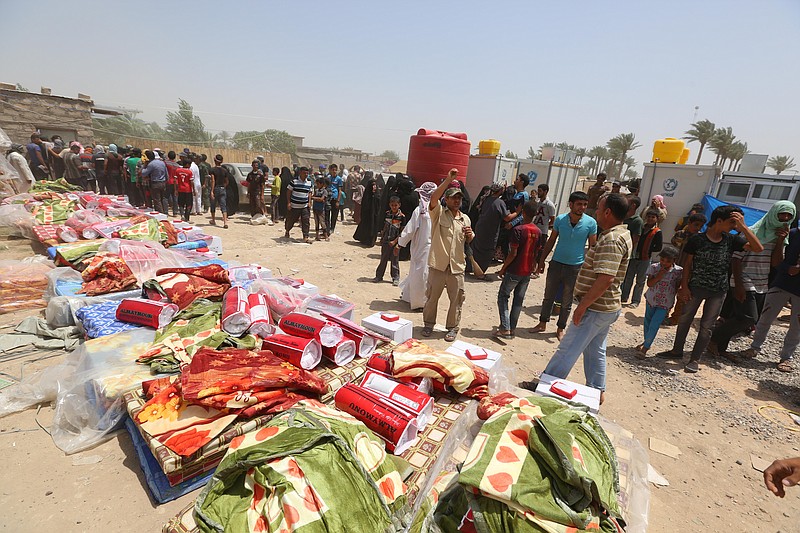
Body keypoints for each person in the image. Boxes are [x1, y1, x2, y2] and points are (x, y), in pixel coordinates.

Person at [542, 193, 633, 404]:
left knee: (568, 349)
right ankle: (596, 390)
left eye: (599, 209)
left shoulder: (612, 239)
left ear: (608, 212)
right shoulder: (620, 234)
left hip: (597, 308)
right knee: (595, 351)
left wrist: (582, 306)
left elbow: (606, 279)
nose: (597, 213)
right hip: (606, 307)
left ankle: (546, 386)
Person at [658, 205, 764, 373]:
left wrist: (743, 227)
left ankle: (694, 359)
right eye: (732, 222)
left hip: (718, 291)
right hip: (695, 288)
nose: (734, 226)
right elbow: (688, 264)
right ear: (719, 221)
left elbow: (758, 248)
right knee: (685, 320)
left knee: (707, 326)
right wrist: (684, 287)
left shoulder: (731, 240)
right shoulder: (697, 240)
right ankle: (676, 351)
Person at [710, 201, 796, 361]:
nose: (784, 218)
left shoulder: (781, 237)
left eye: (788, 216)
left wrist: (780, 241)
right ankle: (713, 338)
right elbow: (736, 260)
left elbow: (776, 263)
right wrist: (739, 285)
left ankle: (721, 348)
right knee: (749, 318)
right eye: (781, 214)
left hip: (762, 282)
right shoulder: (753, 231)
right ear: (773, 213)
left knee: (737, 316)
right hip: (743, 279)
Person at [531, 191, 598, 341]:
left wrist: (591, 269)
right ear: (571, 204)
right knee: (548, 296)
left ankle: (560, 328)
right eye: (579, 204)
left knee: (567, 301)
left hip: (575, 267)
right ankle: (542, 323)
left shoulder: (590, 223)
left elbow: (593, 247)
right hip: (556, 263)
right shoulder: (560, 219)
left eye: (585, 205)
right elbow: (551, 241)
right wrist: (541, 261)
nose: (582, 207)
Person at [421, 171, 473, 342]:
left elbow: (468, 240)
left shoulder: (465, 219)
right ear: (447, 199)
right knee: (432, 298)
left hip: (457, 267)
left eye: (459, 198)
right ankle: (428, 324)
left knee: (456, 301)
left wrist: (471, 235)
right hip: (438, 265)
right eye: (453, 198)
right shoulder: (439, 213)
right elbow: (433, 199)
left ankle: (452, 327)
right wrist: (449, 180)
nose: (457, 201)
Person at [743, 223, 800, 372]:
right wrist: (788, 268)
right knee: (765, 318)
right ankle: (755, 347)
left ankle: (786, 358)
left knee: (797, 326)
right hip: (782, 284)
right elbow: (775, 260)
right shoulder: (793, 234)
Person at [495, 201, 540, 339]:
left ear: (523, 213)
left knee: (503, 296)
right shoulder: (537, 231)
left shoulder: (518, 230)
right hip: (526, 272)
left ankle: (505, 327)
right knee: (518, 300)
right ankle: (511, 328)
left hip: (515, 269)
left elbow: (513, 253)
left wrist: (503, 269)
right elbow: (536, 253)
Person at [636, 245, 682, 358]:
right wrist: (659, 276)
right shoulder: (654, 267)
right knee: (648, 322)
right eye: (662, 260)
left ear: (674, 261)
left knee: (655, 324)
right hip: (652, 299)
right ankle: (647, 341)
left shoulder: (678, 271)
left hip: (665, 302)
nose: (664, 263)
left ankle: (645, 348)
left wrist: (673, 302)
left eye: (668, 261)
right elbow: (649, 284)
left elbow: (676, 286)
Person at [398, 182, 436, 310]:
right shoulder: (420, 210)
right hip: (422, 246)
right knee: (421, 274)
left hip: (431, 247)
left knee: (421, 273)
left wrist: (401, 243)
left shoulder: (437, 210)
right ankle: (419, 303)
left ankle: (410, 296)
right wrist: (400, 243)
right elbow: (410, 229)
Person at [471, 183, 519, 276]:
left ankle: (473, 268)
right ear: (500, 191)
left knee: (477, 250)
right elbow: (507, 217)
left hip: (480, 228)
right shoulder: (499, 202)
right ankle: (480, 273)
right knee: (488, 252)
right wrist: (517, 212)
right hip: (490, 231)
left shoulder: (487, 199)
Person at [668, 212, 707, 325]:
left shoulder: (700, 239)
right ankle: (663, 314)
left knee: (682, 296)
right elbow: (673, 246)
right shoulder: (680, 234)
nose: (698, 228)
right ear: (689, 223)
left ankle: (675, 318)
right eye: (696, 225)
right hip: (675, 269)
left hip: (688, 272)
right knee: (669, 292)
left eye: (700, 226)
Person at [621, 209, 663, 308]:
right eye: (648, 217)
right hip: (634, 257)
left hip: (645, 259)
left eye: (653, 217)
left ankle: (635, 301)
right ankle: (624, 297)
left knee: (640, 281)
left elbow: (658, 247)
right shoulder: (642, 228)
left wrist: (648, 248)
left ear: (657, 219)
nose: (650, 219)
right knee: (628, 278)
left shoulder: (657, 232)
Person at [374, 196, 405, 285]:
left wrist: (395, 242)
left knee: (394, 260)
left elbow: (402, 232)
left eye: (396, 205)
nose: (394, 207)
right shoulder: (387, 214)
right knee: (383, 259)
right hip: (386, 241)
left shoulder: (402, 217)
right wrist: (382, 237)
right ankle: (379, 276)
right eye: (392, 205)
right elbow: (385, 227)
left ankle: (395, 277)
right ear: (389, 205)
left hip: (395, 242)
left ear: (399, 205)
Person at [531, 183, 556, 272]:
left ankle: (538, 270)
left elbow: (553, 219)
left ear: (545, 192)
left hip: (543, 231)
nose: (538, 192)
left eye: (540, 191)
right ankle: (533, 267)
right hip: (536, 229)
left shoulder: (549, 204)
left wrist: (546, 226)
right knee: (534, 250)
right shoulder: (538, 203)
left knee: (540, 251)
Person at [285, 166, 313, 243]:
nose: (306, 174)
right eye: (304, 173)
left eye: (307, 173)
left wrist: (309, 202)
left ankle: (305, 236)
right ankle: (287, 230)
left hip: (304, 206)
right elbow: (288, 192)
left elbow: (310, 192)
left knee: (306, 221)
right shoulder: (294, 181)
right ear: (300, 173)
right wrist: (288, 202)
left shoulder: (309, 182)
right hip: (294, 206)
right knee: (291, 220)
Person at [353, 172, 381, 246]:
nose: (374, 187)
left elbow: (378, 204)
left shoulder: (377, 194)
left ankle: (371, 241)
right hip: (367, 215)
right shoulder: (367, 194)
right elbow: (365, 205)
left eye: (375, 185)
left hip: (374, 215)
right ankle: (364, 240)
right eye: (372, 185)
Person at [142, 150, 168, 214]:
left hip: (155, 183)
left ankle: (160, 214)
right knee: (162, 199)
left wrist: (144, 165)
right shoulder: (162, 163)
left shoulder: (151, 164)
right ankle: (165, 212)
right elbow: (166, 174)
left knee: (157, 200)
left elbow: (143, 173)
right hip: (163, 182)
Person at [209, 154, 231, 228]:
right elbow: (227, 181)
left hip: (215, 188)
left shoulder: (212, 170)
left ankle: (213, 220)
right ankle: (225, 222)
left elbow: (213, 180)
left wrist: (212, 191)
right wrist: (223, 187)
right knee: (223, 205)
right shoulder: (224, 170)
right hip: (222, 189)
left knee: (213, 205)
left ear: (215, 161)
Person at [326, 164, 343, 234]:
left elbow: (340, 190)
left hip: (335, 198)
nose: (334, 171)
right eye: (333, 170)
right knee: (327, 213)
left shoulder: (339, 179)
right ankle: (327, 227)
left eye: (335, 170)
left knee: (334, 214)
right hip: (328, 197)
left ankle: (332, 228)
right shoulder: (328, 178)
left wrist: (338, 201)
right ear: (330, 170)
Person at [311, 176, 330, 241]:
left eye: (318, 184)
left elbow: (321, 199)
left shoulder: (324, 191)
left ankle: (326, 235)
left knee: (322, 223)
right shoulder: (316, 191)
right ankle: (317, 235)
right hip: (315, 208)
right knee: (316, 222)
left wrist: (314, 198)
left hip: (321, 209)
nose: (317, 185)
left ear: (322, 184)